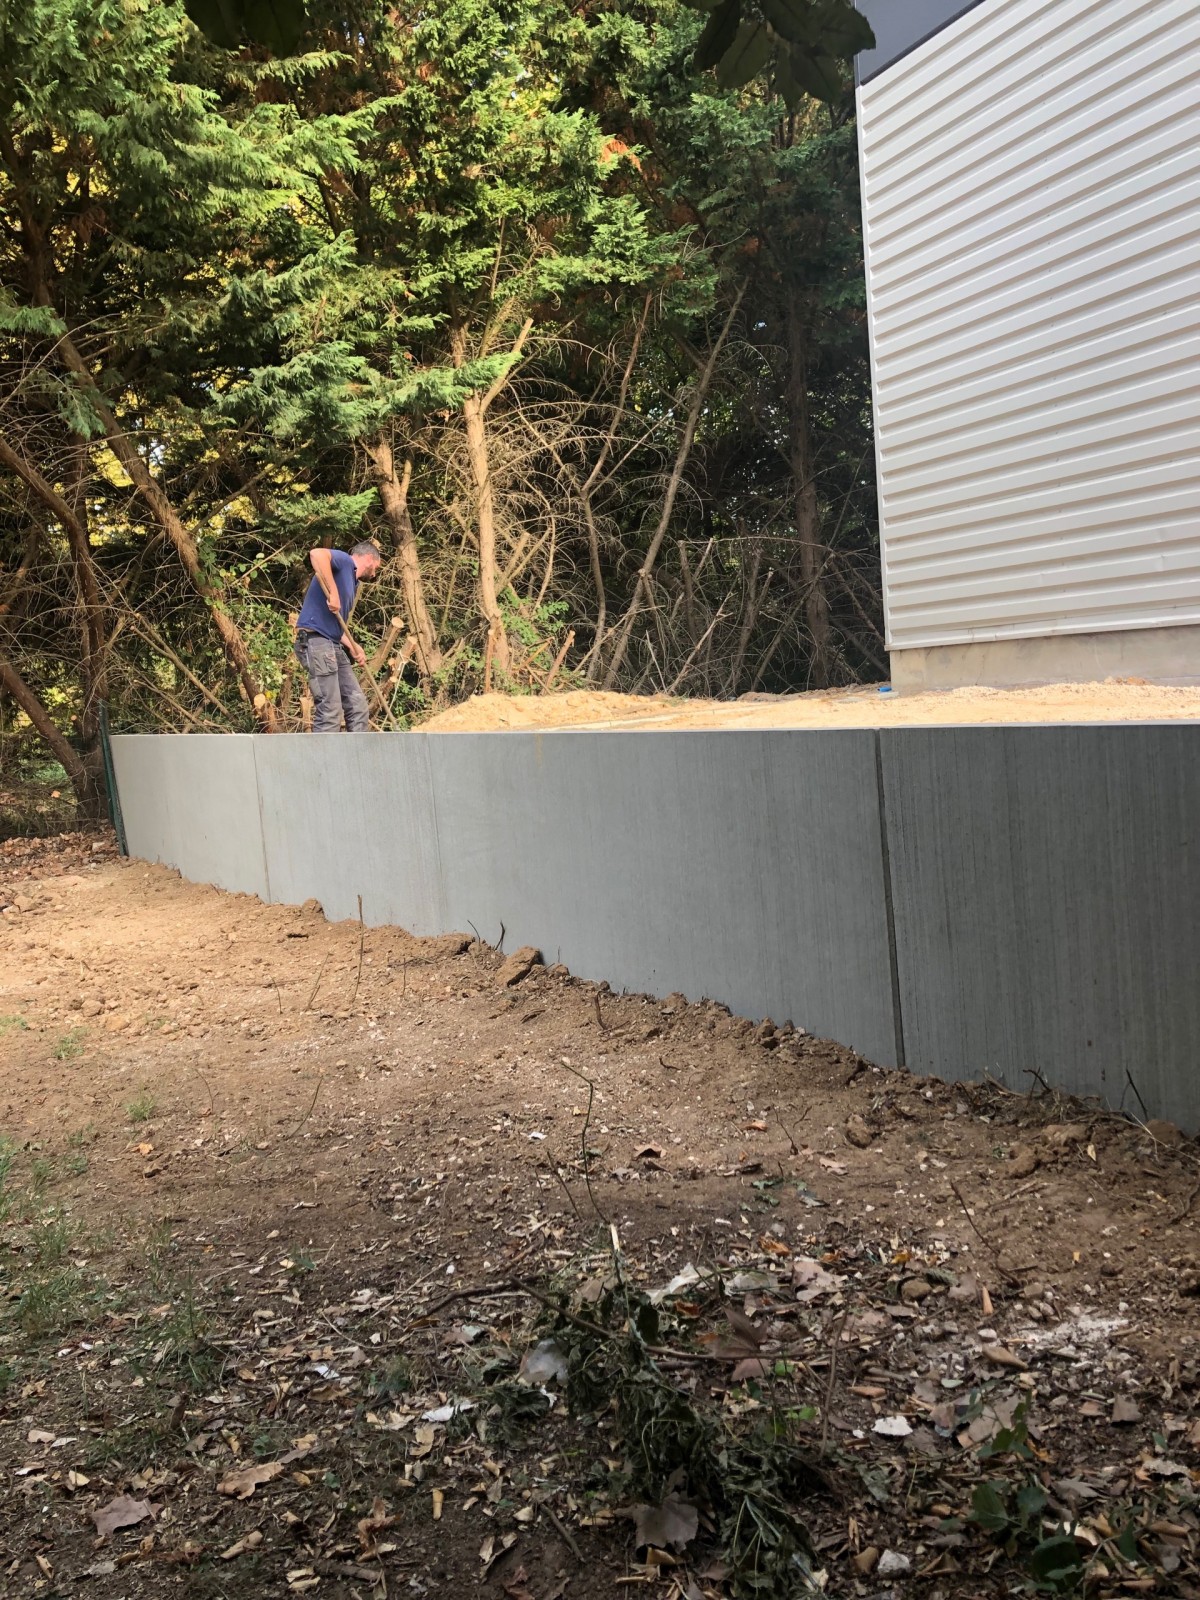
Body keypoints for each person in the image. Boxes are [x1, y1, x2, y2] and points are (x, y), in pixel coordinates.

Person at [294, 540, 382, 732]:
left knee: (357, 706)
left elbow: (336, 626)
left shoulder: (352, 582)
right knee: (330, 709)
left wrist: (353, 646)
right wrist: (333, 593)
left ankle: (357, 750)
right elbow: (316, 554)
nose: (374, 574)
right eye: (376, 567)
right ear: (369, 558)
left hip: (332, 642)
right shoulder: (345, 561)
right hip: (315, 641)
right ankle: (325, 752)